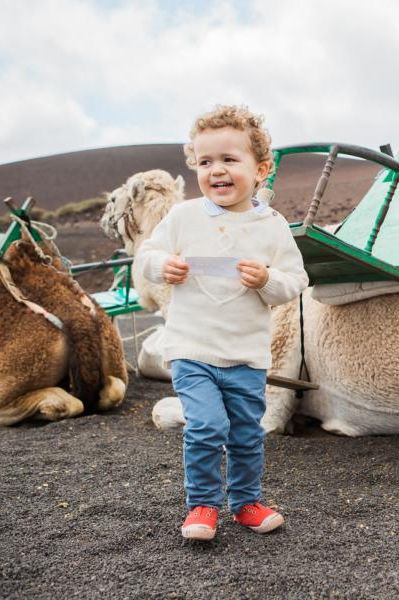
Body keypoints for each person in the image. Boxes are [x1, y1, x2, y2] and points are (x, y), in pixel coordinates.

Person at [136, 104, 308, 541]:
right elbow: (146, 255)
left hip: (246, 355)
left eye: (230, 160)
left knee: (248, 432)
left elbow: (296, 280)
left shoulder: (272, 226)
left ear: (261, 168)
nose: (216, 171)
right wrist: (163, 267)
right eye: (205, 161)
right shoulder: (183, 218)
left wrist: (268, 280)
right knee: (208, 426)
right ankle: (202, 506)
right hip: (192, 348)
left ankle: (246, 502)